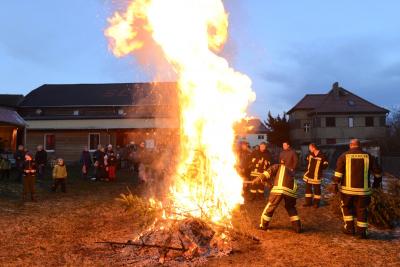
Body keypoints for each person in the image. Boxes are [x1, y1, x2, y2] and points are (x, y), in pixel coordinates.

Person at [330, 139, 382, 239]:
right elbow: (378, 172)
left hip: (347, 191)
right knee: (362, 209)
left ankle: (349, 228)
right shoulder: (368, 156)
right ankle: (361, 232)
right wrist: (376, 183)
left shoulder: (344, 155)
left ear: (350, 145)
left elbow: (338, 173)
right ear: (360, 146)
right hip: (364, 191)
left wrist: (335, 184)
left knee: (346, 207)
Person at [253, 162, 301, 233]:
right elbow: (273, 185)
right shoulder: (289, 173)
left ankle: (263, 225)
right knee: (291, 208)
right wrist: (265, 182)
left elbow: (269, 172)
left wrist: (259, 178)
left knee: (271, 206)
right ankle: (297, 227)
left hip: (280, 188)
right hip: (292, 191)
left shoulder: (278, 166)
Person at [303, 143, 329, 208]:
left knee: (317, 190)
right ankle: (308, 202)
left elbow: (325, 165)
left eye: (310, 148)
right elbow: (306, 161)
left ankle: (316, 203)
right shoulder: (310, 154)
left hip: (317, 176)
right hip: (308, 175)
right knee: (308, 190)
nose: (309, 149)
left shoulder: (322, 155)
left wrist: (319, 168)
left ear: (314, 148)